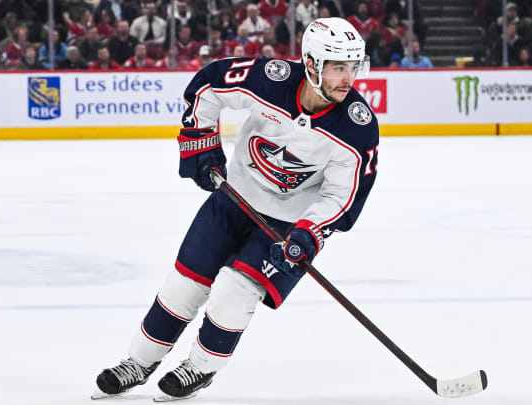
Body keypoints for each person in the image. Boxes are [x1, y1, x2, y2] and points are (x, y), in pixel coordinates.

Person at [92, 17, 379, 401]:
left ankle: (199, 368)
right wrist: (200, 140)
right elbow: (209, 85)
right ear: (311, 64)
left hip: (286, 225)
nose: (348, 78)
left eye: (353, 67)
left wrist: (309, 232)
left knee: (234, 292)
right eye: (338, 67)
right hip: (233, 199)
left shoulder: (358, 128)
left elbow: (343, 196)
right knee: (183, 286)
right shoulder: (271, 79)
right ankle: (139, 361)